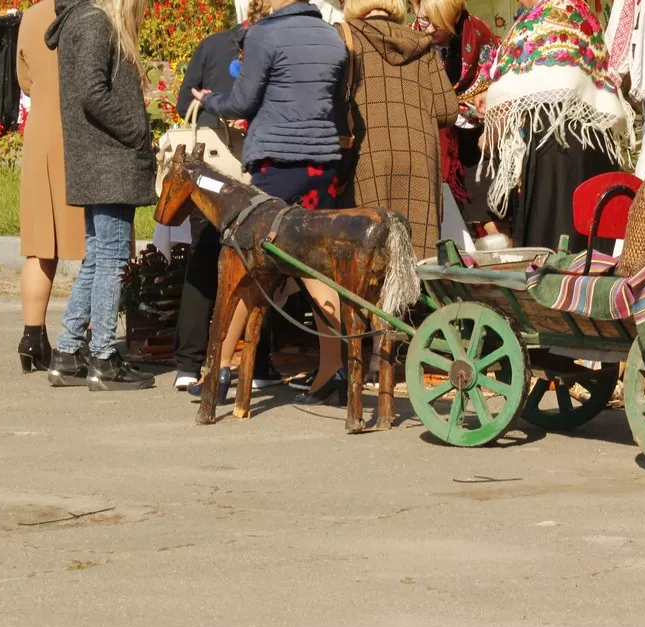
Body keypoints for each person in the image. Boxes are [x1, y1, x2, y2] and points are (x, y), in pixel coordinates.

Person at [193, 0, 349, 405]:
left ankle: (220, 368)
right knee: (318, 268)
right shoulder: (332, 38)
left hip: (276, 163)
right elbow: (334, 102)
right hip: (322, 165)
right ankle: (333, 369)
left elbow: (241, 103)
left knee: (249, 267)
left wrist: (209, 99)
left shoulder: (265, 33)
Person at [44, 0, 157, 390]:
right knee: (109, 257)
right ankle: (104, 358)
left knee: (98, 255)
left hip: (98, 158)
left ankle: (67, 352)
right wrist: (136, 130)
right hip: (109, 159)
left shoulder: (81, 20)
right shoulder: (95, 22)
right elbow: (92, 93)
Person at [170, 17, 282, 392]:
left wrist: (217, 109)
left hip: (212, 168)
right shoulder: (278, 44)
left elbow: (184, 102)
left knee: (204, 256)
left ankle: (189, 361)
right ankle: (259, 361)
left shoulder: (212, 44)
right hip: (255, 167)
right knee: (258, 260)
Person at [480, 0, 632, 251]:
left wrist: (492, 135)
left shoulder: (535, 22)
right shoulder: (583, 16)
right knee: (592, 244)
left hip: (552, 145)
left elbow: (507, 92)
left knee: (552, 243)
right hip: (595, 142)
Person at [341, 0, 458, 259]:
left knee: (371, 253)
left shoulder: (344, 37)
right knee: (418, 253)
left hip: (367, 157)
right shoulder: (422, 44)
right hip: (419, 159)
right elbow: (447, 110)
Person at [15, 0, 86, 373]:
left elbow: (24, 81)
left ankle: (32, 337)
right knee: (98, 245)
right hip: (84, 134)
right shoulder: (97, 12)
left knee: (40, 245)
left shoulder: (31, 16)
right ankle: (90, 338)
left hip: (41, 134)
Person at [410, 0, 497, 218]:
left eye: (438, 24)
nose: (429, 29)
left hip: (475, 135)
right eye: (423, 20)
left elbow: (499, 83)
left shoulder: (479, 36)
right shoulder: (410, 41)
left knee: (487, 215)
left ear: (455, 18)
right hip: (428, 138)